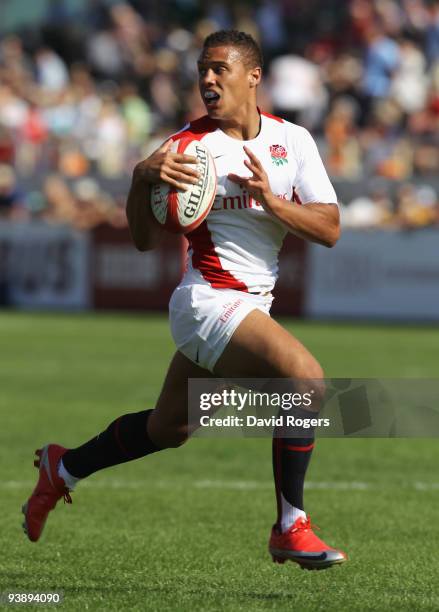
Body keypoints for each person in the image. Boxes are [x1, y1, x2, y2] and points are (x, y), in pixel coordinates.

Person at [22, 30, 346, 570]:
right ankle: (291, 526)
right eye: (202, 70)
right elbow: (147, 241)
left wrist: (272, 202)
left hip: (251, 308)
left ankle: (63, 468)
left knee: (169, 428)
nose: (208, 79)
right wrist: (138, 180)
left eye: (219, 68)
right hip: (206, 302)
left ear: (253, 76)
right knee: (304, 380)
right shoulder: (187, 150)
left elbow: (330, 228)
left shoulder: (296, 142)